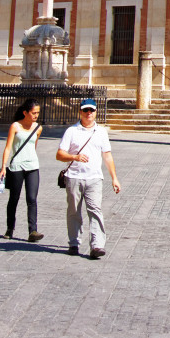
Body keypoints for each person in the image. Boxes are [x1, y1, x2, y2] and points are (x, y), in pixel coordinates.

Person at [56, 99, 120, 259]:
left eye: (91, 110)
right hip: (74, 177)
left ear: (96, 112)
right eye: (86, 110)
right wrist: (74, 157)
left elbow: (107, 155)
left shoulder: (101, 132)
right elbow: (59, 155)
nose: (89, 113)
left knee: (95, 210)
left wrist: (114, 178)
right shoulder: (71, 131)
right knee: (73, 212)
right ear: (80, 112)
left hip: (94, 178)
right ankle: (74, 243)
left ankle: (97, 245)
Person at [0, 99, 44, 242]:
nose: (36, 115)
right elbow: (8, 147)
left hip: (32, 166)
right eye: (33, 113)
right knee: (14, 198)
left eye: (37, 113)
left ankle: (33, 231)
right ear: (25, 112)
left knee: (32, 199)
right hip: (17, 166)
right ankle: (10, 228)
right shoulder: (15, 126)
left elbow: (33, 146)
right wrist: (3, 167)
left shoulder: (38, 128)